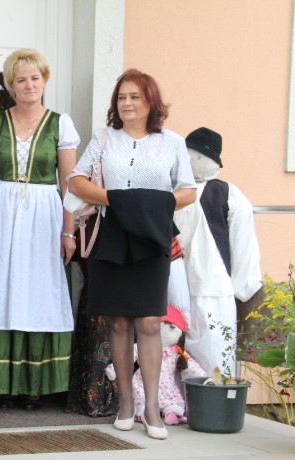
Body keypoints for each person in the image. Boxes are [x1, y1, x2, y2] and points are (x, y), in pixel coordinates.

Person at [68, 69, 196, 440]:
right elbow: (76, 181)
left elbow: (188, 191)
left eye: (135, 96)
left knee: (150, 322)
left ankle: (151, 408)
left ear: (150, 101)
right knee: (119, 323)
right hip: (112, 235)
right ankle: (126, 403)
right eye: (122, 97)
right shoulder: (104, 138)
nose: (127, 103)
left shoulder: (172, 142)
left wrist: (149, 204)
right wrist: (116, 200)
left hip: (153, 238)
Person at [0, 49, 78, 410]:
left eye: (35, 78)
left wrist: (68, 231)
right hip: (2, 214)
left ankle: (35, 384)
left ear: (44, 81)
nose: (29, 85)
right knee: (1, 288)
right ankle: (0, 383)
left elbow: (69, 184)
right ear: (10, 85)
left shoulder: (60, 124)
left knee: (39, 292)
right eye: (21, 79)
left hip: (45, 217)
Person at [173, 127, 262, 376]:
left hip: (212, 289)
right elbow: (244, 244)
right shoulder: (173, 191)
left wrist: (243, 286)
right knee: (176, 359)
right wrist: (244, 285)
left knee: (214, 360)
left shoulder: (228, 194)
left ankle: (213, 398)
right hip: (180, 288)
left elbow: (243, 241)